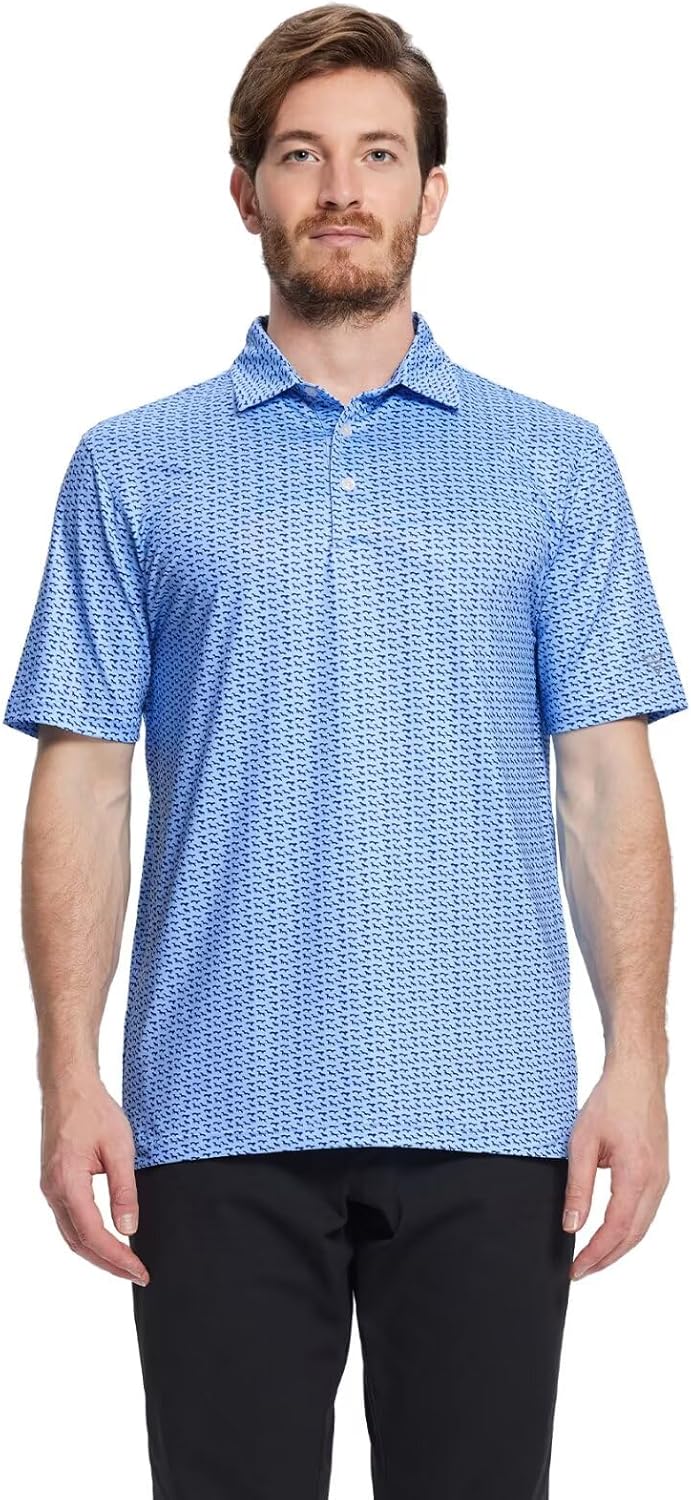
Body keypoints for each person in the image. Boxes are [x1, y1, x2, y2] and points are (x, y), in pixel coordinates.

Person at [4, 6, 687, 1498]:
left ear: (432, 194)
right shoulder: (132, 466)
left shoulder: (555, 464)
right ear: (243, 189)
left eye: (378, 155)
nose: (340, 189)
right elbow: (84, 784)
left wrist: (638, 1063)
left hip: (491, 1108)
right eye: (302, 154)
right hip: (212, 1107)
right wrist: (66, 1076)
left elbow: (605, 783)